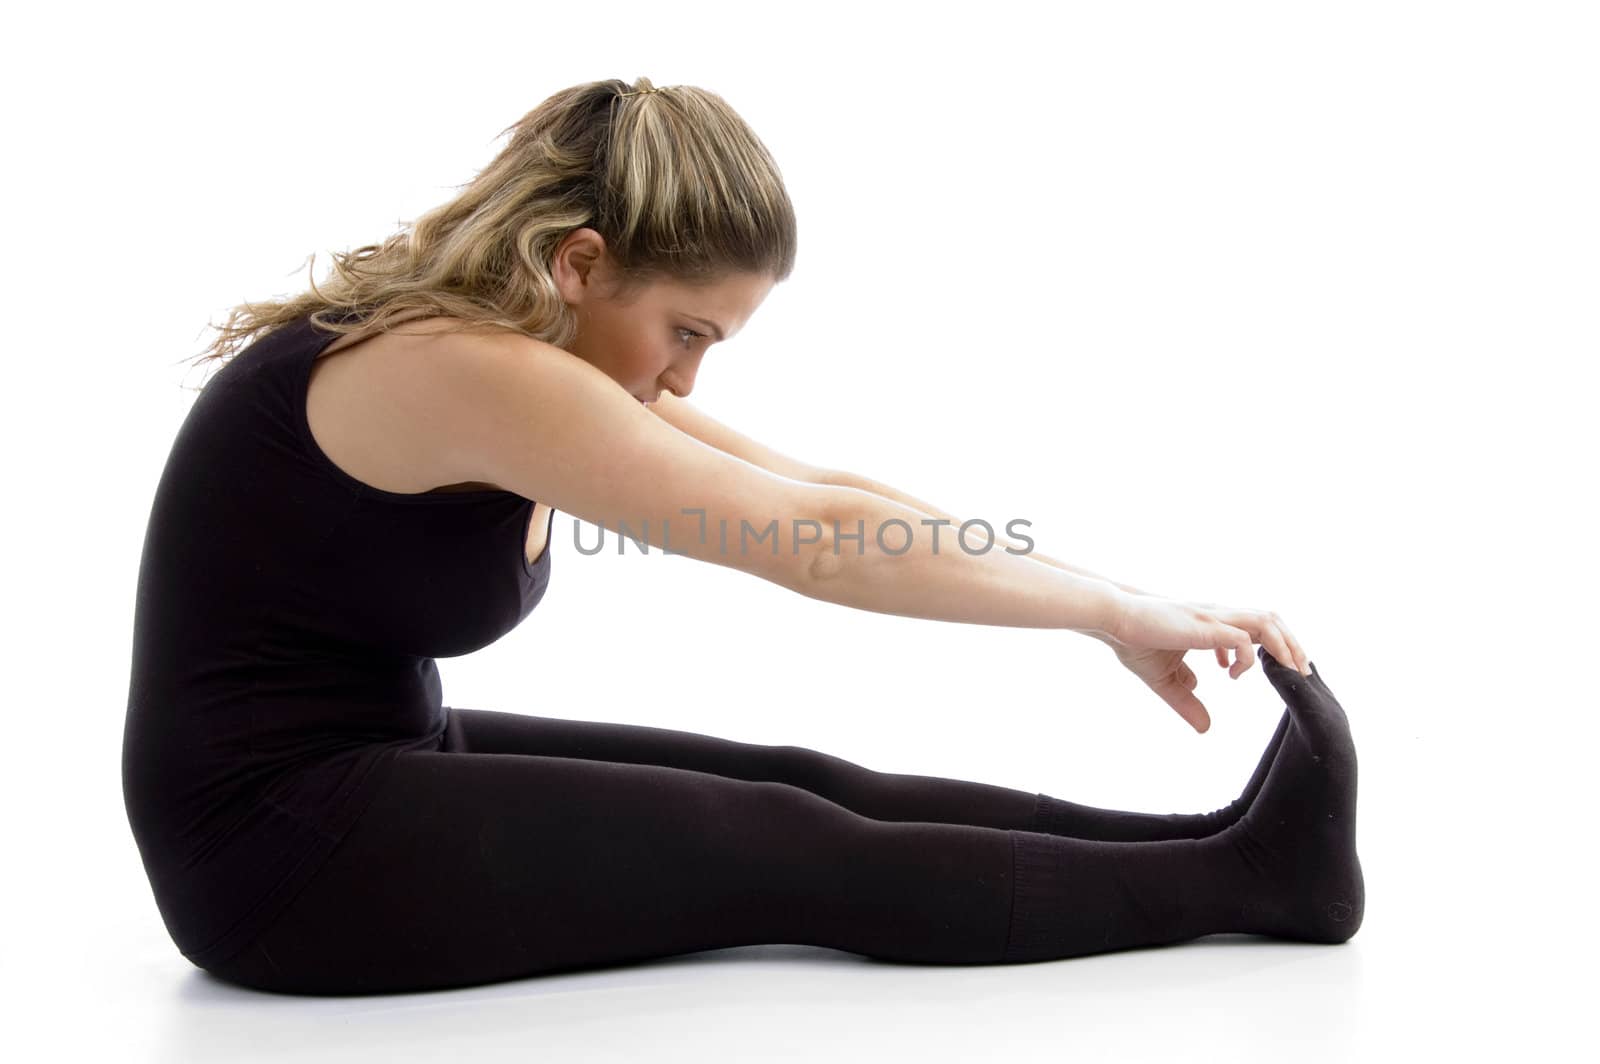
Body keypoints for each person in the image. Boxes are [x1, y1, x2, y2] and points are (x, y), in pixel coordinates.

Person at [121, 77, 1363, 997]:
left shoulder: (507, 351)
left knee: (795, 776)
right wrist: (1106, 616)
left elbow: (826, 490)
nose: (690, 379)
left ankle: (1217, 844)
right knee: (786, 848)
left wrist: (1124, 600)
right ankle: (1252, 882)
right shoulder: (462, 368)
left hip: (370, 757)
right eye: (689, 331)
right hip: (273, 852)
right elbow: (812, 542)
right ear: (579, 263)